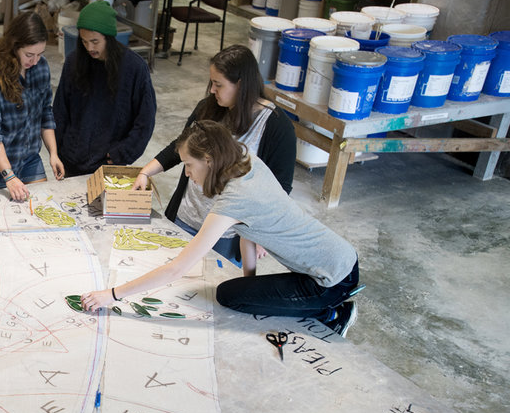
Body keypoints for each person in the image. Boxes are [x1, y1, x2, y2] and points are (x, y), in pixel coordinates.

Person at [82, 121, 360, 336]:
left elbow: (177, 268)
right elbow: (249, 232)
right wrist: (251, 284)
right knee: (241, 292)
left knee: (229, 297)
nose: (187, 173)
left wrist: (113, 294)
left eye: (189, 165)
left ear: (209, 160)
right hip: (337, 257)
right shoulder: (244, 159)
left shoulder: (234, 199)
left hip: (329, 280)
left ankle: (333, 315)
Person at [134, 45, 296, 263]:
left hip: (228, 234)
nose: (212, 90)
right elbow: (180, 147)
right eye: (212, 83)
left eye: (218, 84)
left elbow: (280, 188)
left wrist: (262, 234)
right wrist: (146, 172)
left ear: (241, 84)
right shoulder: (209, 107)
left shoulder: (277, 126)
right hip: (186, 217)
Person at [0, 11, 65, 201]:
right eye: (29, 55)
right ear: (14, 46)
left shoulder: (40, 66)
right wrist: (9, 176)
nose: (35, 61)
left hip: (28, 157)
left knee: (40, 207)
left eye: (40, 54)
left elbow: (45, 112)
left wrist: (53, 153)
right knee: (2, 222)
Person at [53, 0, 156, 176]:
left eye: (95, 41)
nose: (90, 48)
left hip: (109, 163)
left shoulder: (134, 68)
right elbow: (60, 110)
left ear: (109, 37)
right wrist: (59, 149)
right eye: (84, 42)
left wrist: (122, 153)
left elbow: (145, 120)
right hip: (72, 158)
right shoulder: (74, 62)